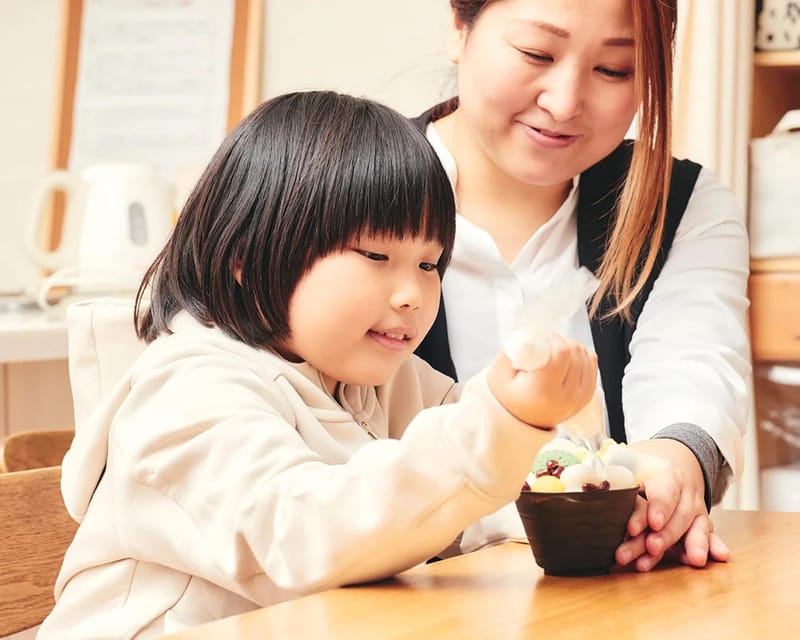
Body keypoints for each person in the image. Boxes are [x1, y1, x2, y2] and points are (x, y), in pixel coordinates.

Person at [38, 91, 597, 639]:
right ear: (245, 255)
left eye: (429, 264)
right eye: (377, 256)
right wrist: (501, 422)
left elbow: (476, 499)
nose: (413, 295)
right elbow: (304, 538)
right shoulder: (186, 389)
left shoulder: (387, 382)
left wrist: (601, 496)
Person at [412, 0, 751, 572]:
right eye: (536, 53)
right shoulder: (345, 196)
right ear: (458, 25)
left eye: (614, 69)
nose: (565, 102)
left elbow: (694, 374)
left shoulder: (680, 205)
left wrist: (666, 477)